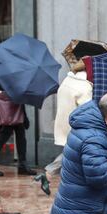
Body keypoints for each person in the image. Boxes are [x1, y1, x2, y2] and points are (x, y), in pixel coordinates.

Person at [34, 59, 92, 195]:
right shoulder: (85, 86)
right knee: (76, 152)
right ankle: (50, 174)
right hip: (77, 126)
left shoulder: (68, 80)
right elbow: (88, 110)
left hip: (64, 123)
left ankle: (47, 174)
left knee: (72, 152)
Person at [0, 86, 36, 177]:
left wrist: (24, 114)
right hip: (8, 106)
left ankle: (22, 164)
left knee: (21, 136)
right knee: (4, 134)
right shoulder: (7, 77)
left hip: (15, 106)